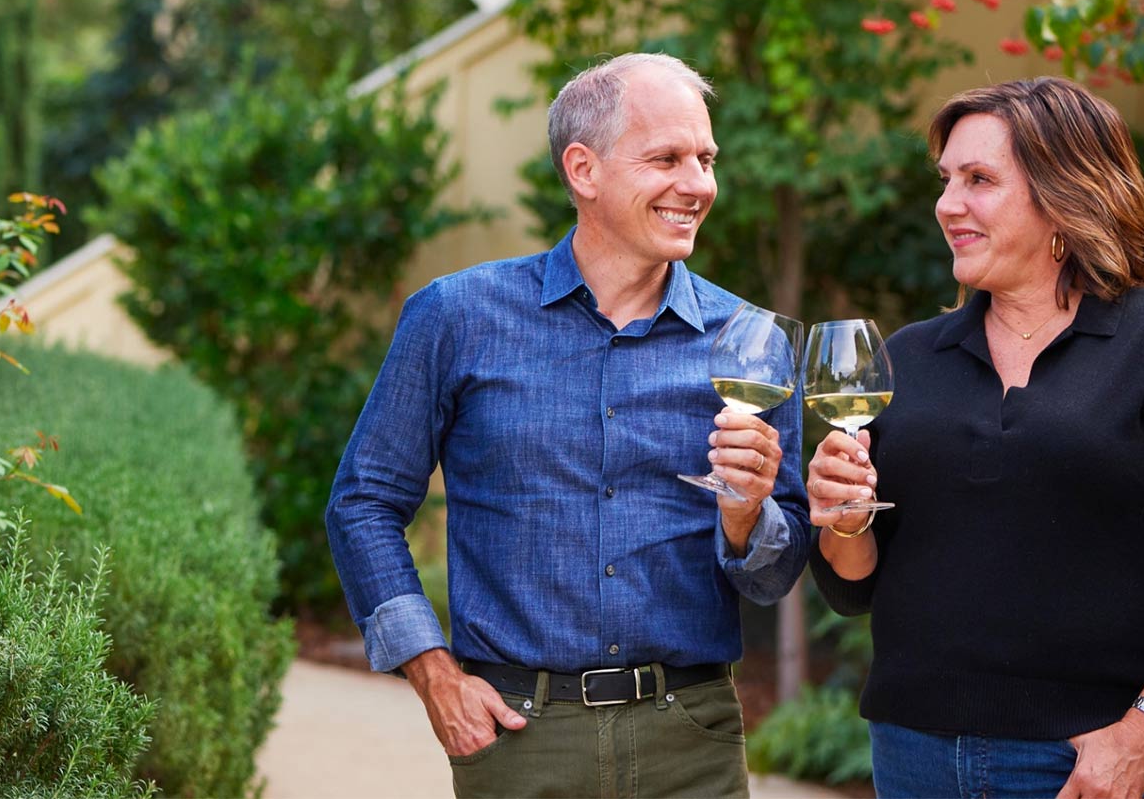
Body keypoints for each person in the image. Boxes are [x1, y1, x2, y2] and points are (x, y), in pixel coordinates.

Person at [325, 52, 812, 798]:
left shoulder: (749, 342)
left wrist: (747, 519)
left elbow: (778, 574)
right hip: (520, 740)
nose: (698, 184)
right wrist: (431, 673)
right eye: (667, 158)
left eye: (706, 159)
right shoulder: (456, 317)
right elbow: (363, 502)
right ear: (583, 170)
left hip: (694, 737)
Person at [806, 77, 1144, 798]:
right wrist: (842, 521)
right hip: (911, 758)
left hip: (1080, 766)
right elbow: (856, 586)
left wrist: (1143, 738)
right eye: (946, 181)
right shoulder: (907, 359)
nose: (947, 204)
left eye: (979, 180)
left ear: (1064, 194)